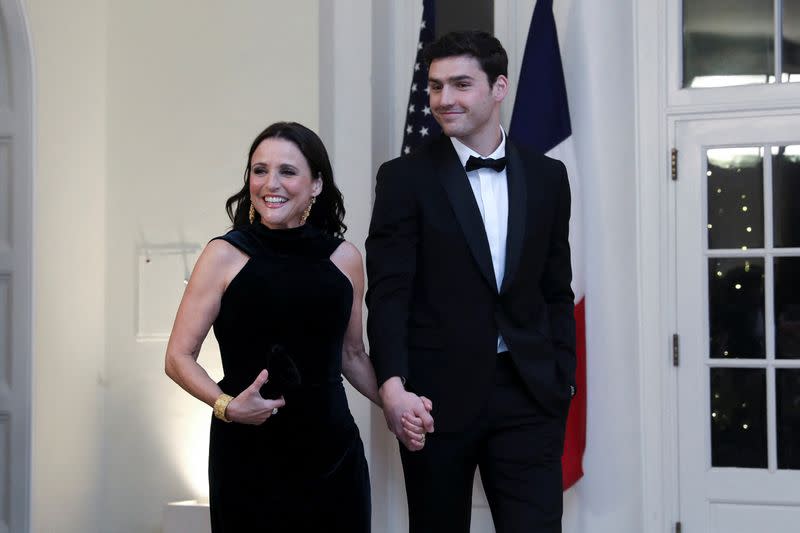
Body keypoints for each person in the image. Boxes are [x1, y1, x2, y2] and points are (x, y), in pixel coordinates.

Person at [165, 122, 429, 532]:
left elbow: (352, 355)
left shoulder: (344, 259)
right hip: (248, 457)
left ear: (316, 184)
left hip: (332, 457)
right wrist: (227, 406)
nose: (271, 183)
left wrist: (395, 401)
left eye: (287, 171)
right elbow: (178, 357)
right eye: (260, 170)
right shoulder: (224, 254)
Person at [366, 31, 576, 533]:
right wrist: (393, 386)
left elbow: (556, 287)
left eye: (461, 84)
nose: (443, 100)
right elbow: (388, 293)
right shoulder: (403, 178)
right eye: (435, 87)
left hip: (528, 393)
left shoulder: (549, 176)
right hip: (434, 400)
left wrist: (560, 375)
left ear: (499, 87)